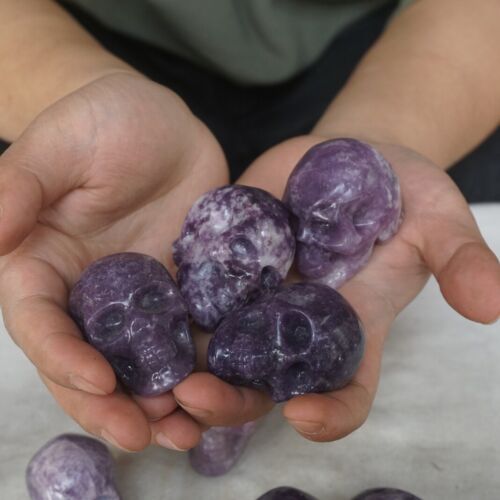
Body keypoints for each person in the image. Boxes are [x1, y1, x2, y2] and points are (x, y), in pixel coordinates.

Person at [0, 0, 498, 453]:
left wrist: (385, 135)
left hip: (394, 61)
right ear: (184, 243)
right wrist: (73, 92)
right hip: (78, 47)